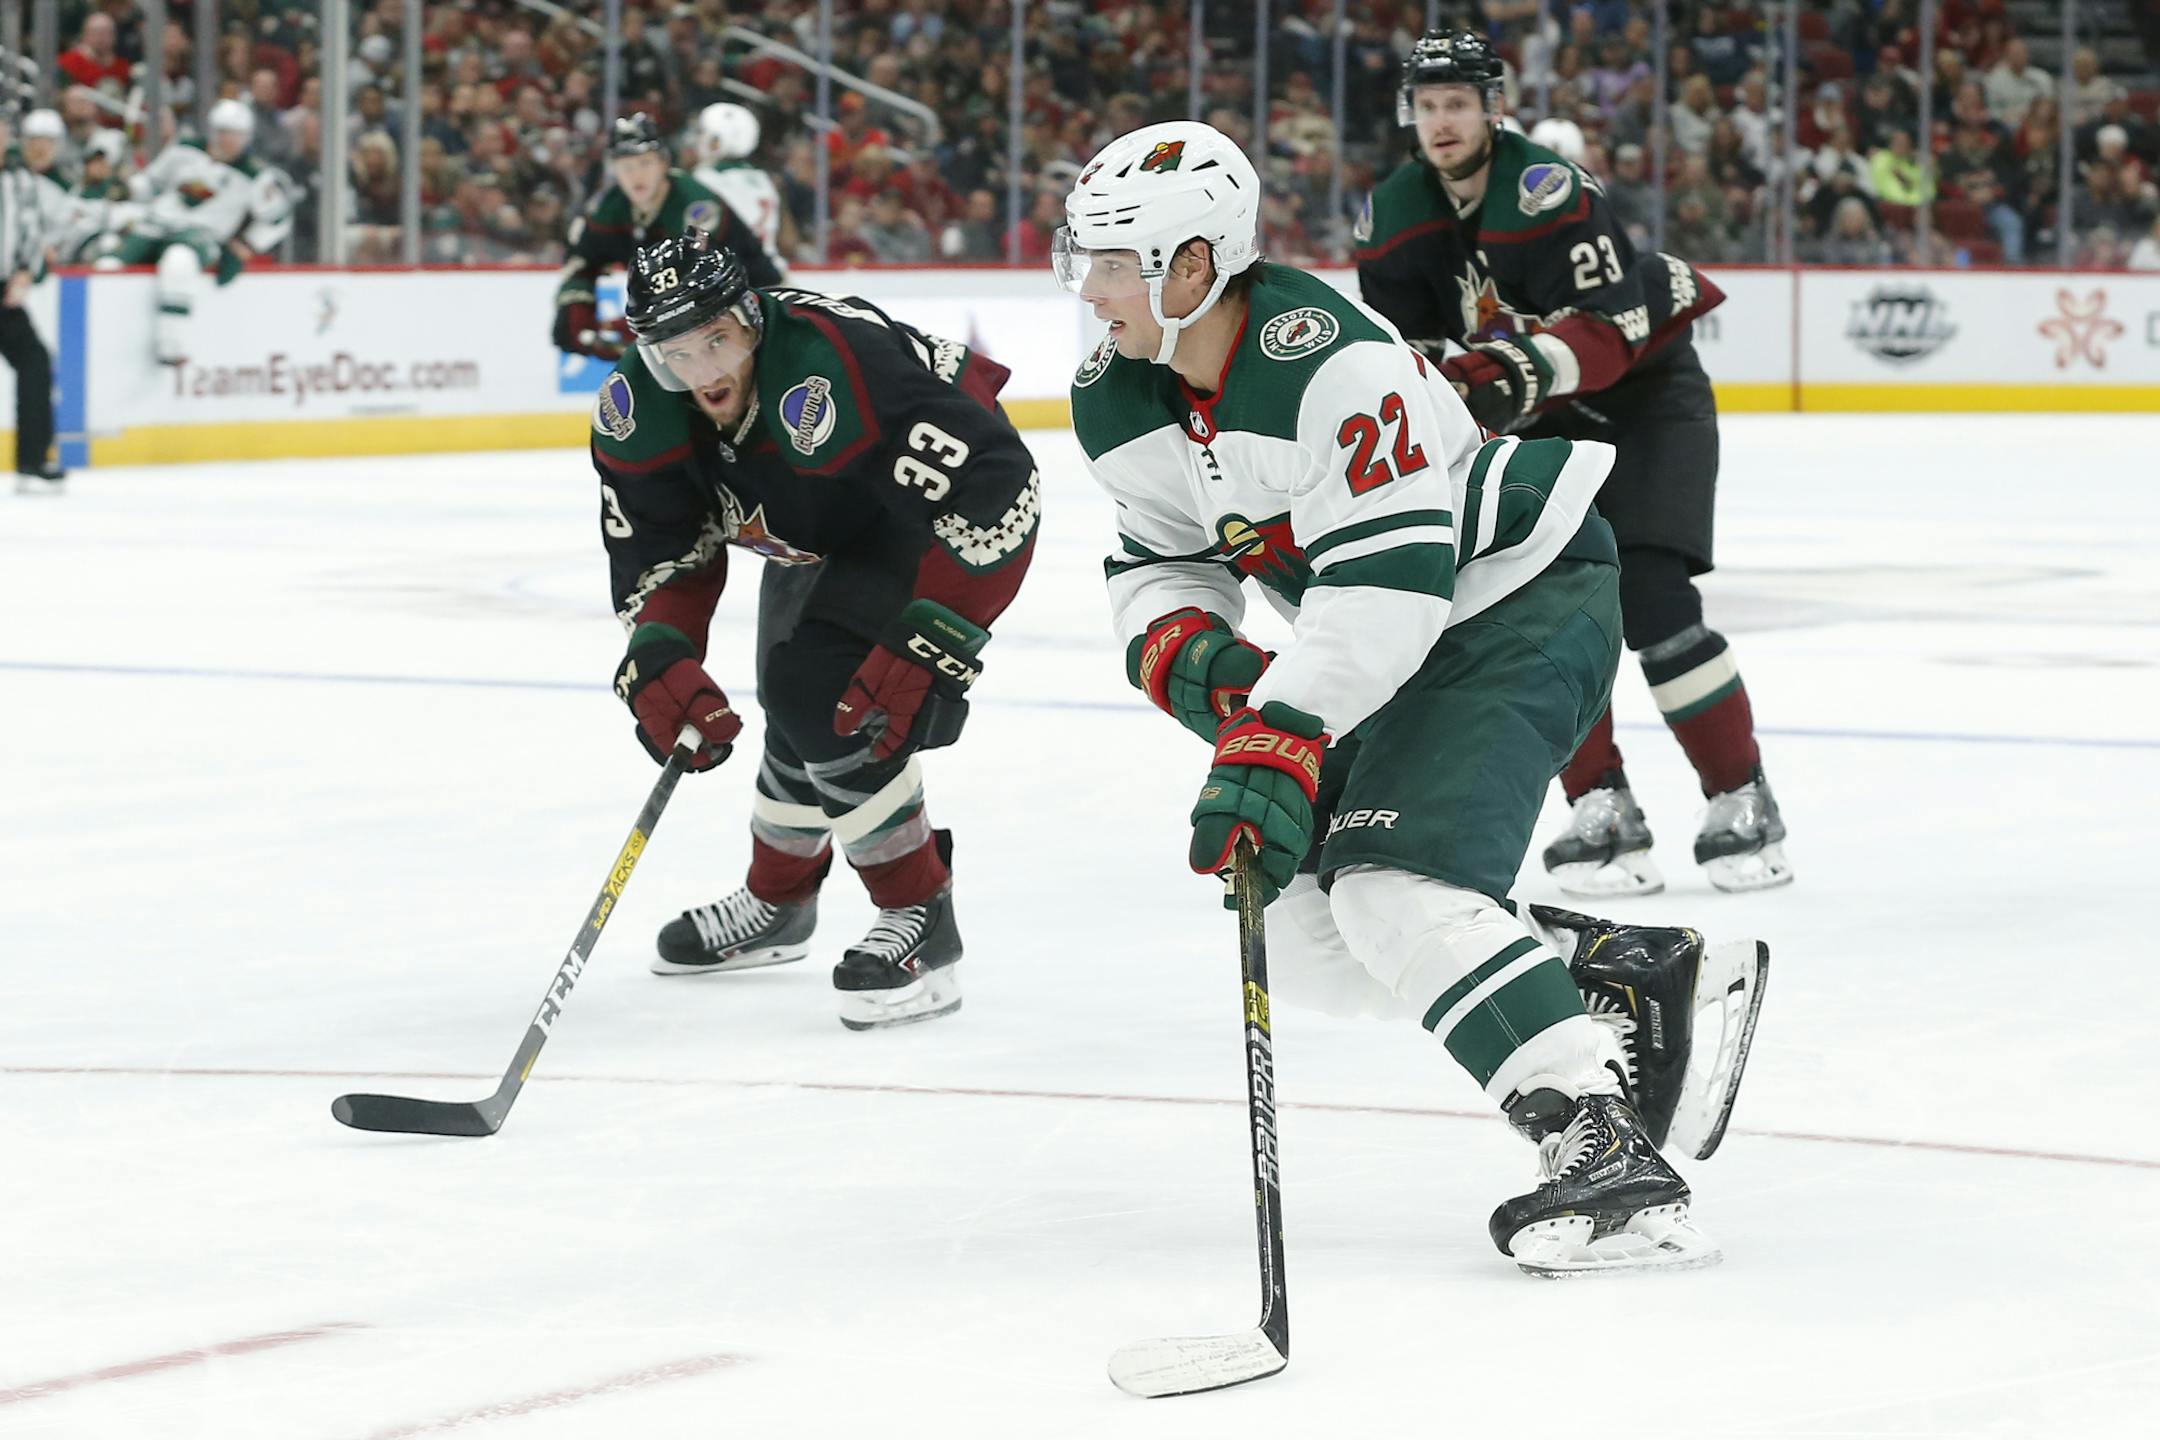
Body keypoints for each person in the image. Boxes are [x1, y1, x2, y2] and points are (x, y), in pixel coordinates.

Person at [1057, 120, 1767, 1275]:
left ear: (1196, 265)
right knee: (1292, 922)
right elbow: (1160, 559)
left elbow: (1390, 586)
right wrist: (1197, 661)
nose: (1089, 290)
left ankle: (1599, 1140)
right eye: (1080, 256)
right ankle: (1615, 977)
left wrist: (1280, 731)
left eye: (1114, 261)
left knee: (1393, 887)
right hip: (1392, 633)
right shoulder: (1119, 392)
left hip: (1515, 593)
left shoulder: (1331, 363)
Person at [1354, 30, 1791, 897]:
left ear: (1493, 108)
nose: (1442, 121)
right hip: (1535, 419)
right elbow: (1408, 353)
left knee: (1655, 601)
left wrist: (1511, 369)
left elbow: (1614, 326)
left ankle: (1742, 797)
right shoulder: (1395, 214)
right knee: (1546, 612)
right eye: (1428, 105)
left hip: (1644, 403)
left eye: (1458, 103)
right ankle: (1602, 807)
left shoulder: (1548, 191)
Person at [591, 229, 1040, 1029]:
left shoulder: (836, 365)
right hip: (814, 532)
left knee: (829, 693)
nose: (705, 373)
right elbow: (662, 547)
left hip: (916, 515)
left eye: (718, 341)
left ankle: (922, 917)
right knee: (797, 705)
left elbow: (996, 481)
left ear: (750, 319)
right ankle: (778, 903)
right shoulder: (634, 408)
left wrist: (935, 632)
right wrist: (659, 651)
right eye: (677, 355)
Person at [554, 114, 782, 363]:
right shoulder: (610, 207)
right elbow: (583, 259)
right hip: (703, 314)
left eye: (645, 163)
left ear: (664, 163)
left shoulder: (695, 205)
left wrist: (632, 329)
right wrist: (575, 311)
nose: (636, 175)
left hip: (759, 300)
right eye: (626, 166)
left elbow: (696, 282)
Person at [95, 99, 291, 366]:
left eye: (235, 134)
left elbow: (278, 218)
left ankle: (170, 342)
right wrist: (127, 188)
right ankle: (100, 331)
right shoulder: (185, 150)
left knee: (179, 262)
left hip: (201, 235)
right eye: (222, 131)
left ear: (247, 136)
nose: (227, 139)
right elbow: (152, 182)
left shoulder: (255, 176)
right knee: (108, 262)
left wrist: (245, 246)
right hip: (156, 222)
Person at [1, 114, 64, 492]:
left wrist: (25, 271)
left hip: (4, 291)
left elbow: (30, 229)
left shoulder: (21, 179)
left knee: (36, 361)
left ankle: (33, 459)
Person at [692, 102, 790, 268]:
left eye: (703, 133)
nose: (698, 140)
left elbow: (698, 233)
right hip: (769, 269)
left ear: (718, 141)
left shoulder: (706, 178)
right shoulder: (763, 179)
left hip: (728, 271)